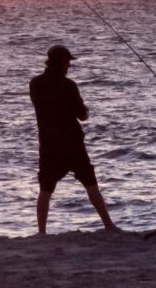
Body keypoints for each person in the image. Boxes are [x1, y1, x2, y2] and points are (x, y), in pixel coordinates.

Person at [29, 44, 115, 235]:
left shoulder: (35, 84)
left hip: (49, 144)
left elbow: (39, 106)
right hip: (73, 143)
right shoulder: (69, 85)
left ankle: (42, 232)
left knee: (45, 188)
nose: (69, 65)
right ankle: (108, 225)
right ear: (61, 63)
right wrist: (86, 111)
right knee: (91, 183)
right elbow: (82, 115)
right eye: (68, 61)